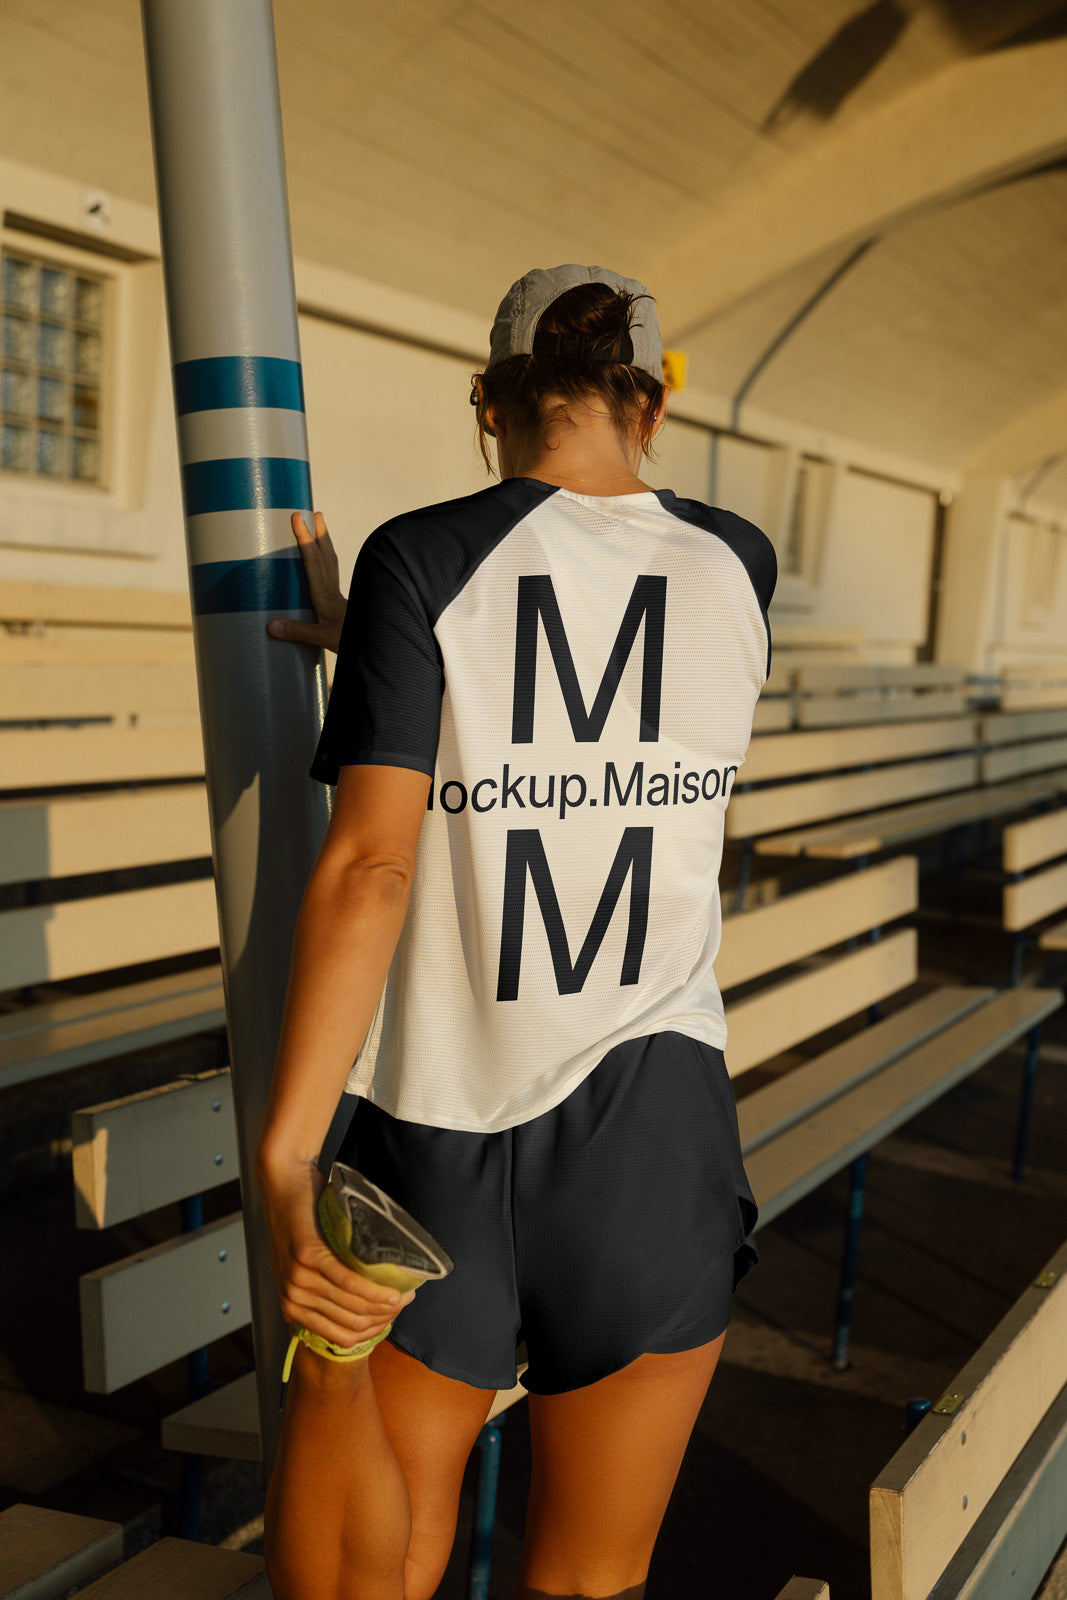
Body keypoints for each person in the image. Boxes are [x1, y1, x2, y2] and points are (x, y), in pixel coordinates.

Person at [255, 264, 776, 1600]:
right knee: (590, 1580)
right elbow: (605, 674)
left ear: (487, 401)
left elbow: (373, 866)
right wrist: (389, 652)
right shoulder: (741, 562)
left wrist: (288, 1152)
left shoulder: (424, 558)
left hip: (442, 1120)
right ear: (652, 405)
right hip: (653, 1128)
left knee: (375, 1572)